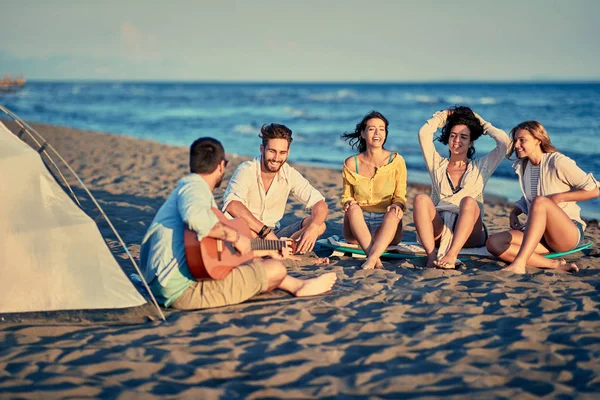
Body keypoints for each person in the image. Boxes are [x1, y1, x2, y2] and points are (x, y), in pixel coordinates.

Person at [139, 137, 337, 310]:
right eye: (272, 150)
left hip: (169, 282)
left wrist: (269, 247)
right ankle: (297, 286)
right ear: (221, 166)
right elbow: (197, 219)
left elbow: (209, 249)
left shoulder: (189, 189)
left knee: (264, 260)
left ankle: (294, 281)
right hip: (181, 290)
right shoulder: (194, 189)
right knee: (275, 270)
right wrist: (235, 237)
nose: (277, 157)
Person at [486, 121, 599, 274]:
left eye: (522, 140)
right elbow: (531, 195)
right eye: (515, 140)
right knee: (493, 243)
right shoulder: (524, 165)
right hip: (541, 234)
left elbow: (594, 190)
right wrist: (515, 212)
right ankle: (555, 265)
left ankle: (519, 263)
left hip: (567, 233)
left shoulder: (557, 162)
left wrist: (558, 198)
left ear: (538, 140)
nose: (517, 145)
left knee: (541, 201)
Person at [414, 106, 510, 268]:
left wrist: (479, 121)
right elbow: (423, 134)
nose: (457, 140)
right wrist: (443, 116)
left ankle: (452, 254)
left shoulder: (481, 167)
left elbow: (505, 142)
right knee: (420, 198)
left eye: (463, 137)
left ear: (471, 141)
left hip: (471, 233)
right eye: (453, 135)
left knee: (468, 201)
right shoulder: (436, 164)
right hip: (441, 227)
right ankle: (431, 256)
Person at [223, 123, 328, 254]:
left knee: (319, 225)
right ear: (262, 149)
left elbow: (320, 204)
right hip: (244, 233)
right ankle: (279, 249)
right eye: (272, 151)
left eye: (282, 152)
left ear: (288, 152)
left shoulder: (289, 173)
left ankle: (279, 249)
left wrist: (313, 227)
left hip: (274, 234)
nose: (277, 158)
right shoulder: (247, 170)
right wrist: (265, 232)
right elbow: (232, 205)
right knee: (248, 233)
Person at [340, 111, 407, 270]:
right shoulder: (351, 163)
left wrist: (397, 205)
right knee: (353, 208)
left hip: (386, 226)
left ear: (385, 134)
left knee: (394, 212)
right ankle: (374, 258)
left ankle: (371, 259)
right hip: (357, 227)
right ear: (363, 133)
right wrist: (349, 203)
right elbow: (346, 197)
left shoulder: (396, 161)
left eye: (381, 129)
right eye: (371, 129)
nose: (377, 133)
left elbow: (400, 196)